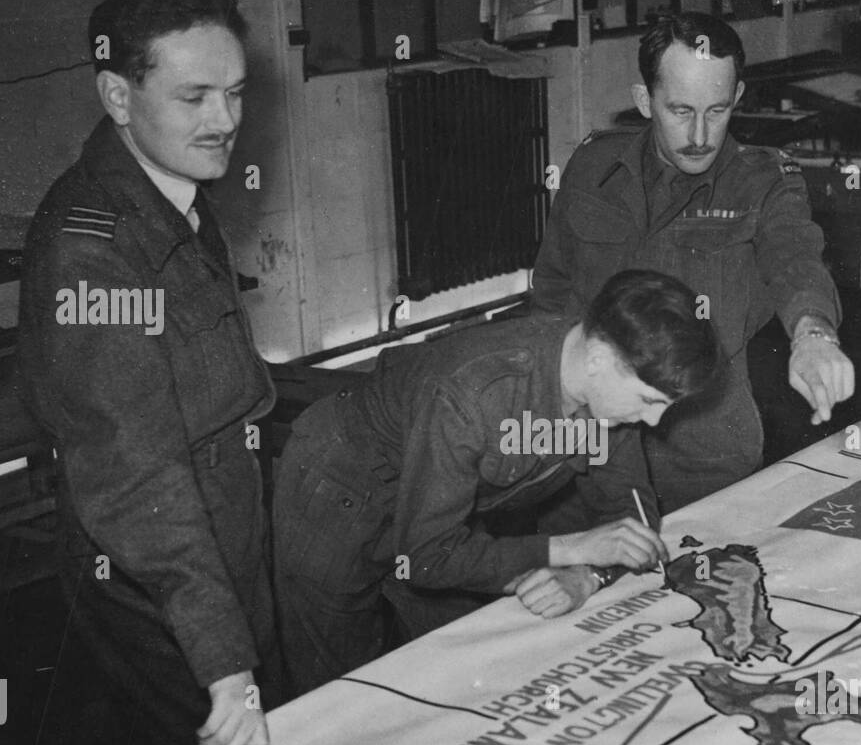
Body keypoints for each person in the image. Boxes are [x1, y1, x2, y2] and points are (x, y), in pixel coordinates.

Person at [18, 0, 279, 745]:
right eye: (195, 96)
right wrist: (222, 658)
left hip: (221, 534)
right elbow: (136, 478)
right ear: (118, 95)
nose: (226, 120)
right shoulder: (92, 253)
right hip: (159, 578)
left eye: (235, 92)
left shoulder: (167, 192)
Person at [272, 269, 719, 697]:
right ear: (599, 358)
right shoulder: (476, 391)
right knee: (342, 691)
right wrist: (575, 549)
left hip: (441, 508)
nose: (655, 420)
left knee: (479, 661)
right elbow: (427, 556)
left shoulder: (606, 387)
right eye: (649, 400)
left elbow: (630, 515)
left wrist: (587, 575)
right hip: (340, 487)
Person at [531, 11, 855, 514]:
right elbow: (552, 286)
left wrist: (813, 336)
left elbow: (795, 260)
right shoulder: (593, 166)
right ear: (645, 101)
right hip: (585, 443)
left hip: (702, 449)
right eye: (681, 111)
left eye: (718, 110)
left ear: (738, 99)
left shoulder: (764, 181)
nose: (701, 134)